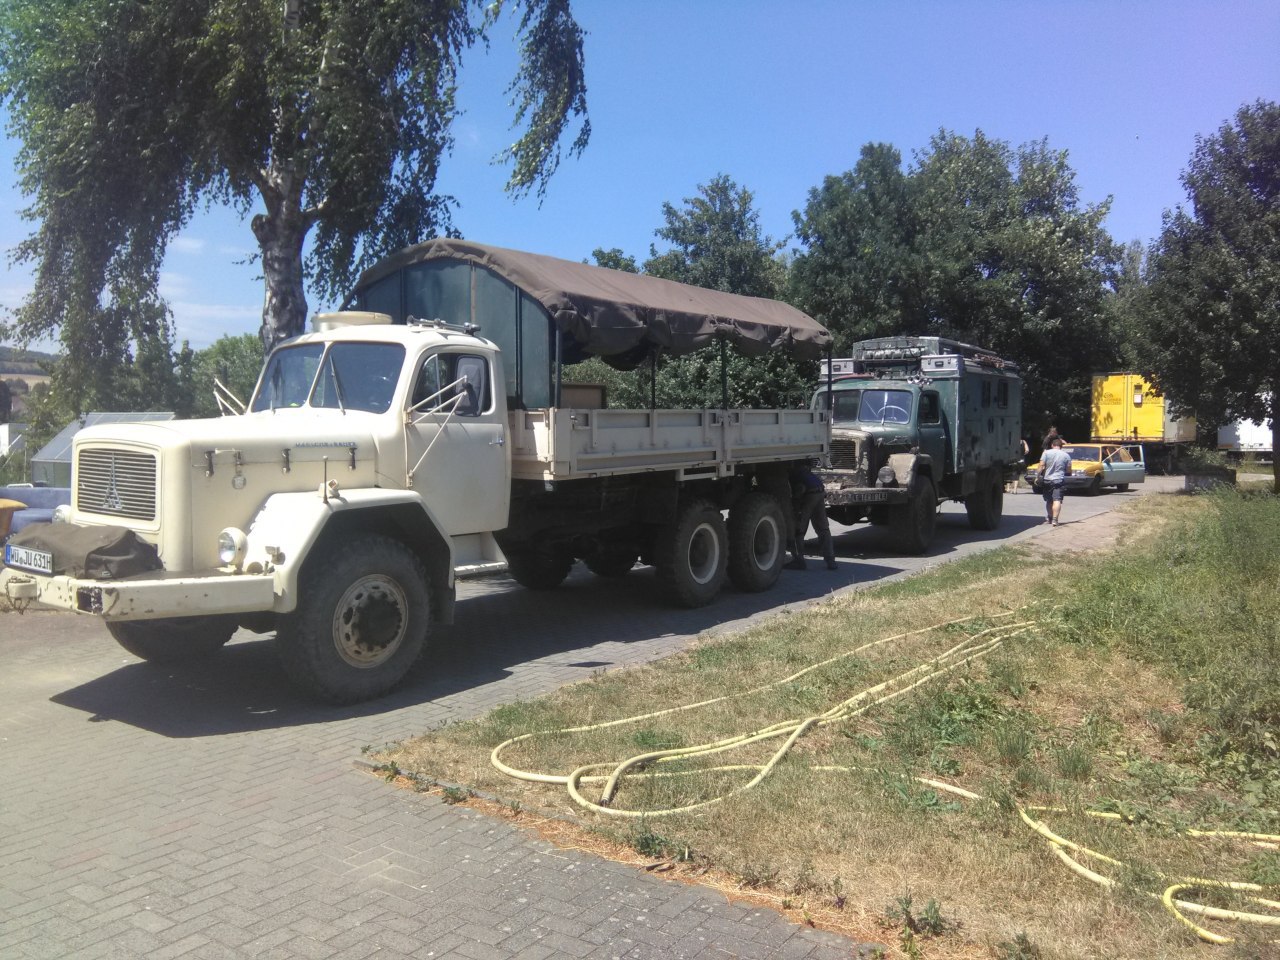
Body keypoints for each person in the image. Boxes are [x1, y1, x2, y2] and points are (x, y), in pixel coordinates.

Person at [785, 463, 838, 570]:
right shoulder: (803, 470)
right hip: (819, 491)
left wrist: (796, 509)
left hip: (808, 494)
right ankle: (831, 560)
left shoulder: (790, 473)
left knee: (798, 530)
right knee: (823, 528)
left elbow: (799, 490)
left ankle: (799, 561)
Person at [1039, 436, 1072, 526]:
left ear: (1052, 445)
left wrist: (1038, 476)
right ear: (1061, 446)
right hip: (1058, 480)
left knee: (1049, 500)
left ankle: (1049, 518)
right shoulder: (1066, 455)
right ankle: (1055, 520)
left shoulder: (1046, 453)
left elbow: (1041, 465)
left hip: (1047, 480)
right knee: (1057, 500)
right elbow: (1069, 470)